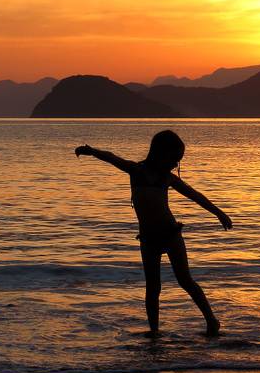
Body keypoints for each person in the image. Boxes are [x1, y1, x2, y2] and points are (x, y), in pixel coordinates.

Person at [75, 130, 232, 336]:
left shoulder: (167, 179)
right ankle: (154, 332)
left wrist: (219, 213)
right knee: (153, 288)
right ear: (159, 153)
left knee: (185, 280)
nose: (175, 165)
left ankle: (211, 320)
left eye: (178, 161)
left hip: (171, 234)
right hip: (149, 239)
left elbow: (195, 195)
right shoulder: (136, 171)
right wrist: (92, 151)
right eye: (173, 159)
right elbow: (112, 157)